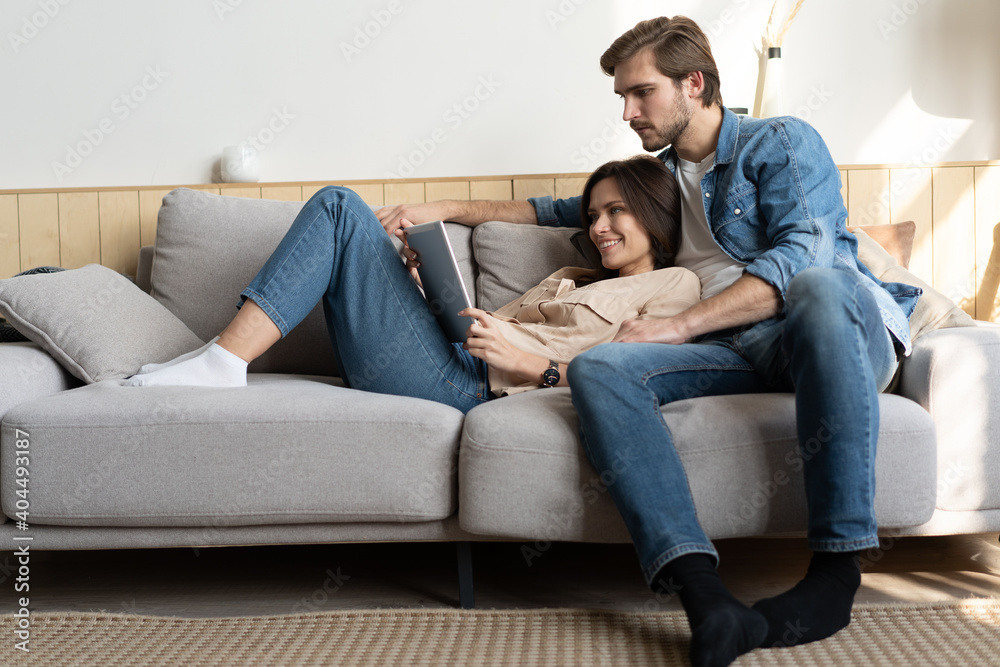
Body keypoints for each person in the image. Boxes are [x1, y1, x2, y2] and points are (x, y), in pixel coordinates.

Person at [382, 14, 920, 667]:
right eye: (622, 99)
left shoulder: (778, 142)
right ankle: (704, 594)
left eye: (642, 93)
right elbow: (557, 209)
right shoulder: (659, 178)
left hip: (831, 333)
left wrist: (677, 325)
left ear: (694, 83)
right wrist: (448, 209)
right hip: (742, 348)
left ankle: (836, 571)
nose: (629, 112)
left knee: (819, 287)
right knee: (602, 368)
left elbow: (803, 258)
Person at [124, 155, 701, 411]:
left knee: (338, 207)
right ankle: (221, 356)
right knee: (350, 221)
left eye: (617, 212)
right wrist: (427, 296)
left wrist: (532, 367)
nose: (599, 227)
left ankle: (222, 361)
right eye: (593, 215)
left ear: (656, 215)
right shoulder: (574, 278)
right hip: (453, 358)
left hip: (473, 387)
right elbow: (480, 330)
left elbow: (636, 376)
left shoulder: (676, 288)